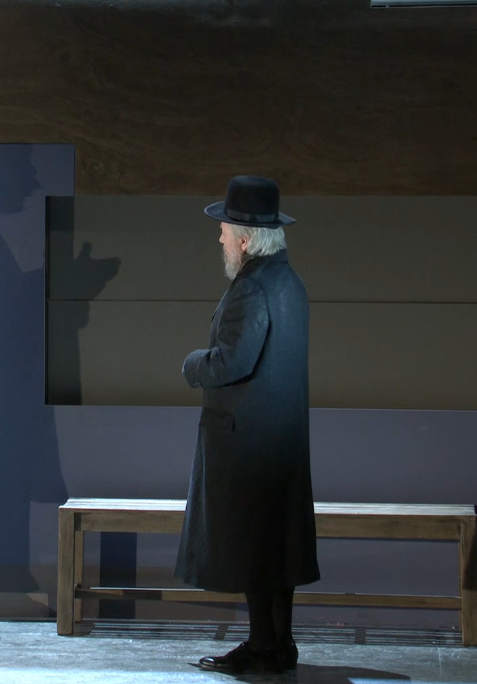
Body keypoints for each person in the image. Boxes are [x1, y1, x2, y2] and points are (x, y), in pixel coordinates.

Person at [176, 175, 320, 673]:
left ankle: (262, 646)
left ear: (244, 239)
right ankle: (280, 644)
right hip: (279, 442)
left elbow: (232, 360)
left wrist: (193, 364)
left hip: (248, 444)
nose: (219, 237)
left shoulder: (252, 287)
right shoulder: (290, 284)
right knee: (276, 548)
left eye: (224, 229)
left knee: (256, 548)